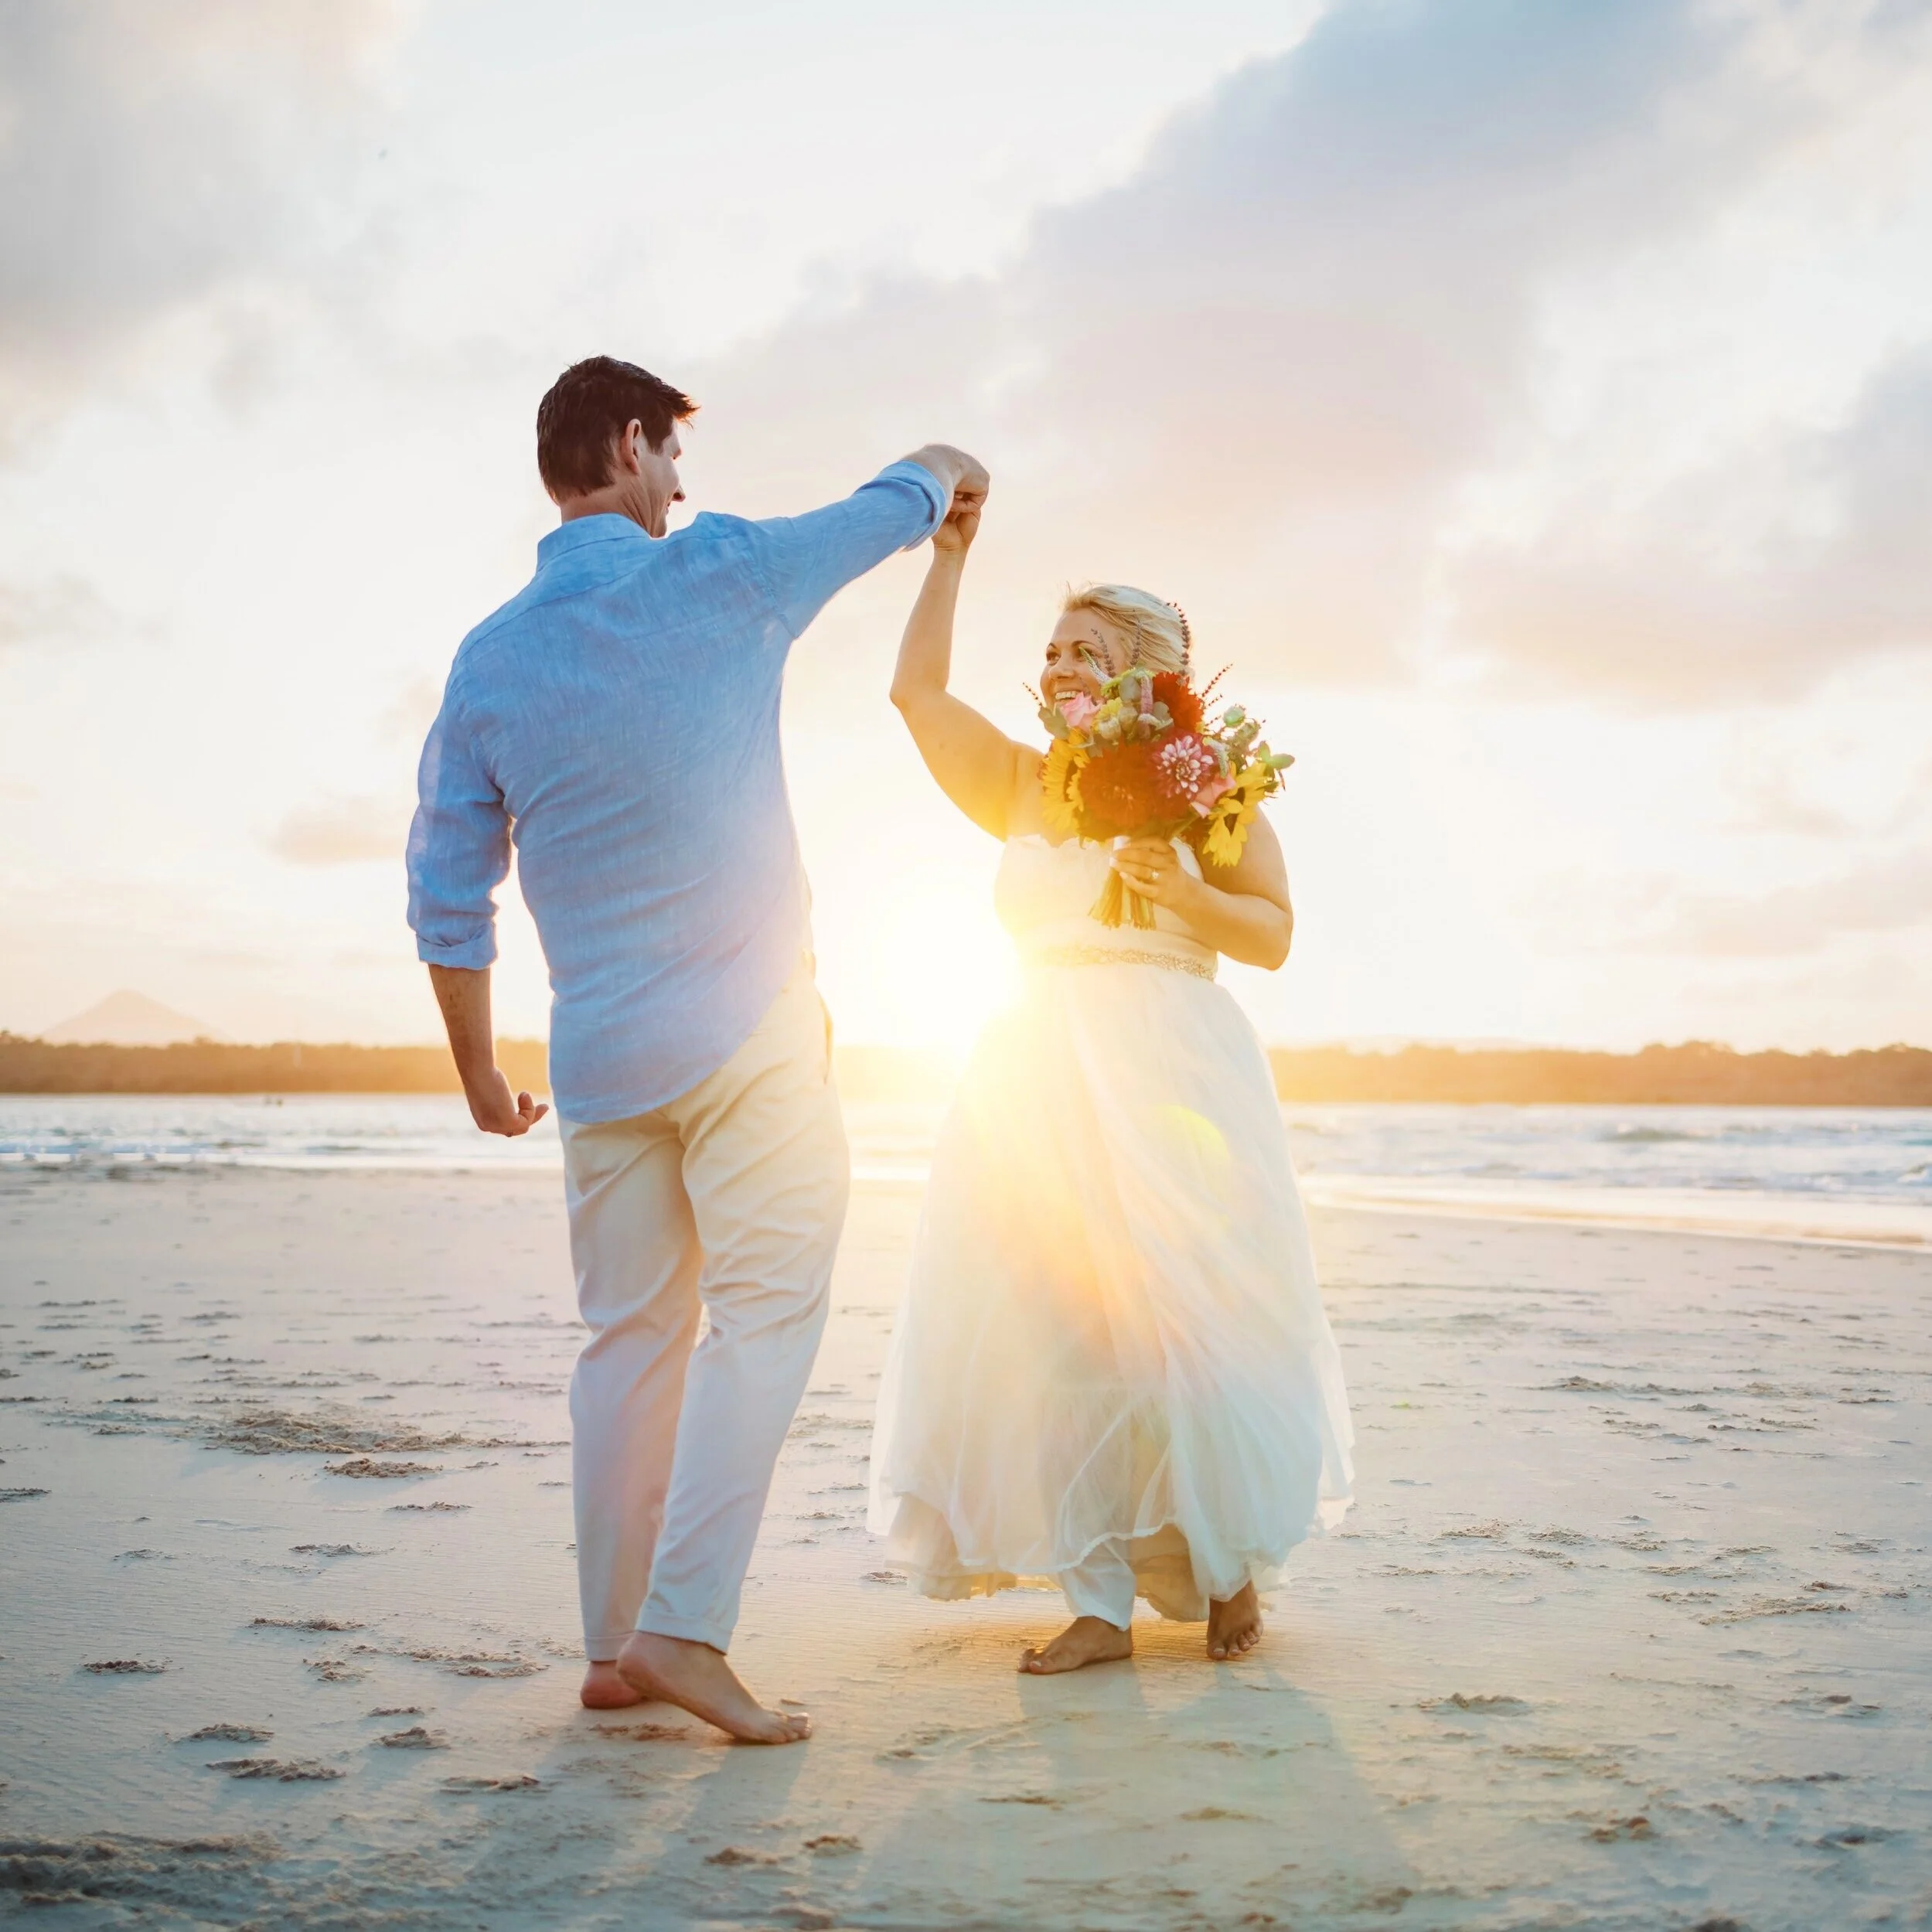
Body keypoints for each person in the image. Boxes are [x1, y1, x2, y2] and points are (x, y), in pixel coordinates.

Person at [406, 355, 986, 1741]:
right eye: (671, 456)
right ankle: (680, 1630)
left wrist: (479, 1071)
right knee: (768, 1315)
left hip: (599, 1058)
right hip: (748, 1035)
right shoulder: (721, 571)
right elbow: (881, 509)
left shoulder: (488, 658)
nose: (678, 487)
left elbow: (446, 887)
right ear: (628, 443)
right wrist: (949, 473)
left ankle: (614, 1648)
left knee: (629, 1340)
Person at [868, 489, 1354, 1673]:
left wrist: (1185, 893)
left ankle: (1226, 1565)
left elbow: (1273, 931)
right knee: (1055, 1330)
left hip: (1175, 1067)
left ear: (1148, 668)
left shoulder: (1206, 778)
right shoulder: (1021, 781)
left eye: (1084, 650)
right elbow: (915, 696)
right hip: (1034, 1075)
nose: (1057, 668)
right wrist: (947, 556)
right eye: (1050, 651)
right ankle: (1095, 1601)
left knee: (1189, 1319)